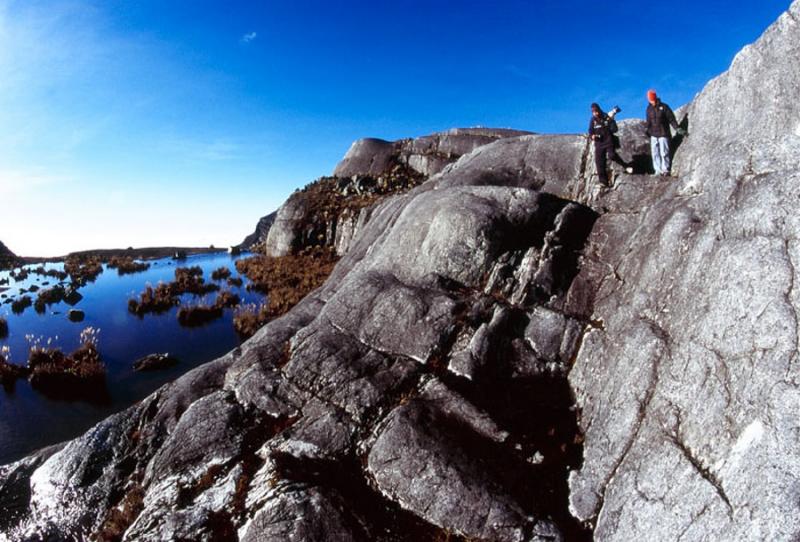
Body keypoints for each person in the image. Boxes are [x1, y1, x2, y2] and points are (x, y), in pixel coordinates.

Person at [588, 103, 633, 187]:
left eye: (596, 111)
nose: (595, 113)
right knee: (599, 162)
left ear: (599, 110)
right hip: (599, 144)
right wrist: (592, 136)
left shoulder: (606, 116)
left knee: (612, 155)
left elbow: (614, 129)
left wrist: (611, 121)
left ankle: (625, 166)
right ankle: (604, 182)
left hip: (608, 141)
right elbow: (590, 131)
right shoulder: (592, 120)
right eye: (593, 112)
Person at [645, 89, 685, 176]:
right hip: (653, 134)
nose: (651, 100)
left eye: (651, 98)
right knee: (655, 153)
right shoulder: (648, 109)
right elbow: (648, 122)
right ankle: (658, 170)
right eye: (649, 98)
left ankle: (665, 169)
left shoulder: (664, 107)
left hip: (663, 133)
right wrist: (647, 130)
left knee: (664, 152)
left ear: (655, 98)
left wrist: (677, 128)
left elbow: (671, 119)